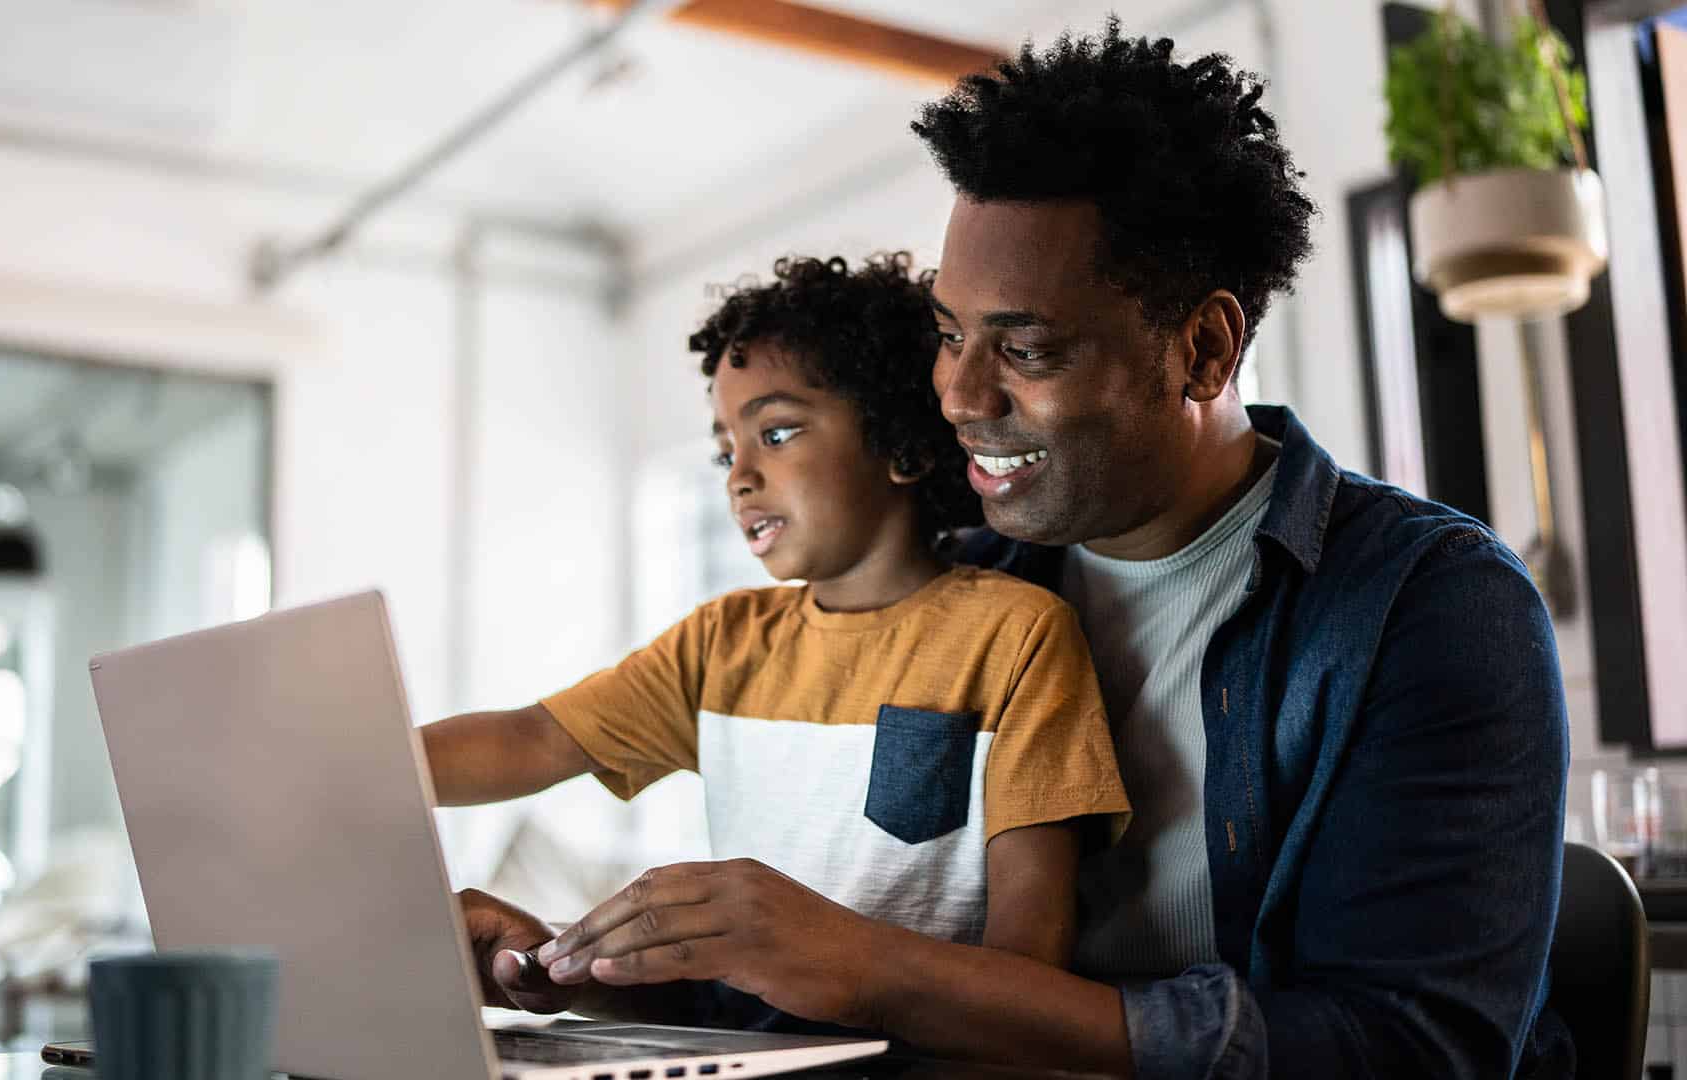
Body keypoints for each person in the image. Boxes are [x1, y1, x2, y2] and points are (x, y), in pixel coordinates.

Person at [466, 22, 1573, 1079]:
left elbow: (1411, 1052)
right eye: (949, 335)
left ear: (1203, 347)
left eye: (1026, 349)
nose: (956, 394)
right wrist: (587, 973)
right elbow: (835, 983)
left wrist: (884, 972)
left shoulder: (1424, 608)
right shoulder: (956, 591)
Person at [430, 253, 1129, 1029]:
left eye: (778, 432)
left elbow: (1030, 972)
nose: (738, 476)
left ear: (903, 445)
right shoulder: (720, 643)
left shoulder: (1017, 635)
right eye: (726, 450)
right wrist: (347, 766)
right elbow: (531, 739)